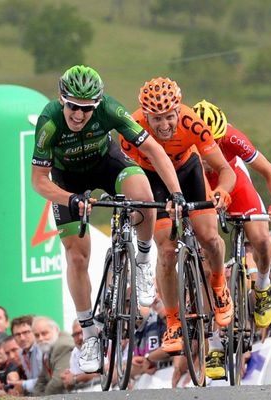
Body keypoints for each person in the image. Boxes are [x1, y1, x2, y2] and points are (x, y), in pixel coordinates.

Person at [31, 65, 184, 373]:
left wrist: (176, 192)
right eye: (73, 106)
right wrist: (70, 199)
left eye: (86, 109)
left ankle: (142, 260)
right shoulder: (49, 122)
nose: (78, 115)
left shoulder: (111, 109)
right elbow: (39, 181)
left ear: (97, 105)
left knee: (142, 193)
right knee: (76, 257)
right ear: (62, 100)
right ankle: (89, 335)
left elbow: (153, 149)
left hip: (106, 163)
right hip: (67, 181)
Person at [120, 78, 235, 361]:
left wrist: (222, 190)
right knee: (167, 252)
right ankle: (173, 321)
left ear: (178, 111)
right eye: (156, 118)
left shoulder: (192, 122)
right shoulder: (131, 129)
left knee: (209, 238)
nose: (164, 125)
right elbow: (125, 173)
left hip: (188, 169)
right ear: (146, 116)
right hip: (152, 177)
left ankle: (218, 283)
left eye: (169, 116)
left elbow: (224, 169)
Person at [193, 99, 271, 330]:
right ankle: (213, 341)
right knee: (206, 267)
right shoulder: (181, 140)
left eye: (216, 142)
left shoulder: (231, 137)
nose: (210, 150)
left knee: (262, 240)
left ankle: (263, 287)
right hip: (198, 183)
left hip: (234, 182)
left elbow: (270, 171)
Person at [31, 316, 74, 396]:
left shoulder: (63, 346)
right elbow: (42, 379)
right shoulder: (48, 345)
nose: (41, 338)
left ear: (56, 330)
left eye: (44, 333)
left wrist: (44, 398)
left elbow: (58, 381)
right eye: (37, 335)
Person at [60, 320, 100, 392]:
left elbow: (101, 372)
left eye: (82, 332)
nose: (80, 337)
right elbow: (70, 384)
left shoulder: (100, 344)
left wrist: (75, 378)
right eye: (76, 334)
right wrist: (67, 380)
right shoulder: (75, 351)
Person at [8, 315, 42, 395]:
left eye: (26, 332)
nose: (22, 338)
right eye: (17, 334)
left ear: (34, 331)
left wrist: (23, 384)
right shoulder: (22, 352)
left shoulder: (41, 349)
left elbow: (45, 381)